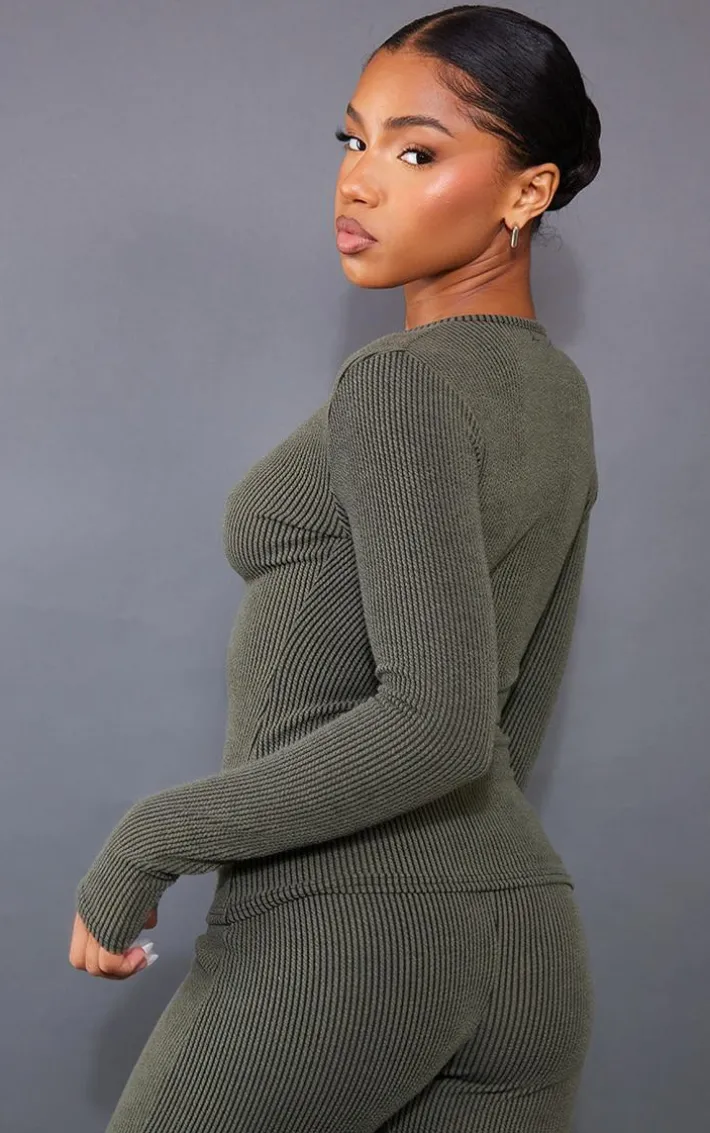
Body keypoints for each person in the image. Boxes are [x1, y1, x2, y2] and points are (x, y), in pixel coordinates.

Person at [68, 6, 602, 1131]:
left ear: (527, 191)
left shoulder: (397, 384)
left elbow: (440, 722)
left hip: (345, 932)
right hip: (523, 938)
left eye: (416, 152)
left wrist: (148, 838)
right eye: (353, 140)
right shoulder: (557, 393)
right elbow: (512, 715)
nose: (358, 181)